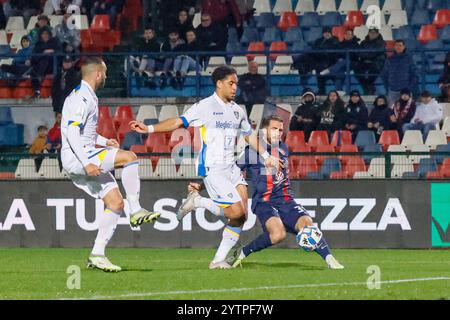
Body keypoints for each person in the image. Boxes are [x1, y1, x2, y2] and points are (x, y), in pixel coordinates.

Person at [129, 65, 281, 269]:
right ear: (219, 84)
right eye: (231, 83)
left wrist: (265, 155)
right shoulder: (205, 106)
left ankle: (218, 261)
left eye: (236, 83)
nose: (235, 87)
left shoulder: (237, 110)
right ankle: (198, 202)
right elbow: (178, 122)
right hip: (213, 167)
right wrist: (148, 128)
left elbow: (248, 134)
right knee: (235, 213)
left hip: (232, 168)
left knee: (242, 215)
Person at [61, 57, 160, 272]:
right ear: (97, 73)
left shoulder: (86, 95)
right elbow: (71, 132)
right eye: (104, 73)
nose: (105, 76)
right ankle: (136, 211)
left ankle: (97, 254)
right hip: (79, 157)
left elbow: (84, 131)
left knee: (115, 203)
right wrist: (87, 162)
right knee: (130, 158)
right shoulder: (82, 98)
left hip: (83, 154)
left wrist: (105, 142)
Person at [226, 114, 344, 269]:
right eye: (274, 128)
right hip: (264, 202)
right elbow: (230, 172)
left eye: (281, 130)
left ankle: (330, 260)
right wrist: (203, 186)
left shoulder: (283, 148)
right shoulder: (250, 152)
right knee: (277, 235)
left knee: (308, 225)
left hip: (286, 200)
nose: (278, 132)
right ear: (264, 130)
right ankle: (243, 253)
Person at [380, 39, 418, 105]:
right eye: (396, 45)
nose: (398, 47)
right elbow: (384, 75)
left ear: (404, 47)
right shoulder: (389, 59)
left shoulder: (409, 59)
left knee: (406, 112)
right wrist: (388, 87)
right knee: (392, 112)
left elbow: (414, 75)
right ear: (394, 47)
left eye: (400, 45)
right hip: (392, 91)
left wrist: (409, 88)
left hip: (405, 91)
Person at [31, 28, 62, 98]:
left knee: (46, 61)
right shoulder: (38, 44)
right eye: (43, 34)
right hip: (40, 66)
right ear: (40, 35)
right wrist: (43, 53)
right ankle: (37, 91)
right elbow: (34, 57)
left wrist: (52, 51)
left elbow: (60, 52)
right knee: (34, 70)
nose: (45, 35)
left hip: (53, 66)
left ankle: (39, 77)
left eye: (47, 33)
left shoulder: (55, 42)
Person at [353, 28, 386, 95]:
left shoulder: (382, 42)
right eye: (371, 32)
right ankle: (367, 87)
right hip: (364, 61)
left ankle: (368, 87)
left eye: (374, 32)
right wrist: (367, 55)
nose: (372, 34)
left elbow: (377, 52)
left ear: (377, 34)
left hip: (376, 61)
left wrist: (366, 55)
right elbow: (359, 52)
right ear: (368, 33)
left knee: (374, 69)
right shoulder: (363, 42)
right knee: (355, 68)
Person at [311, 27, 341, 95]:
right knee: (319, 71)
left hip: (332, 63)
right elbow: (314, 52)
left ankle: (338, 92)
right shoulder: (318, 41)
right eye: (325, 32)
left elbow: (336, 53)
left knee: (338, 75)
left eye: (328, 32)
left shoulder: (335, 40)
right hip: (321, 63)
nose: (327, 34)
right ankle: (321, 92)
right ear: (323, 33)